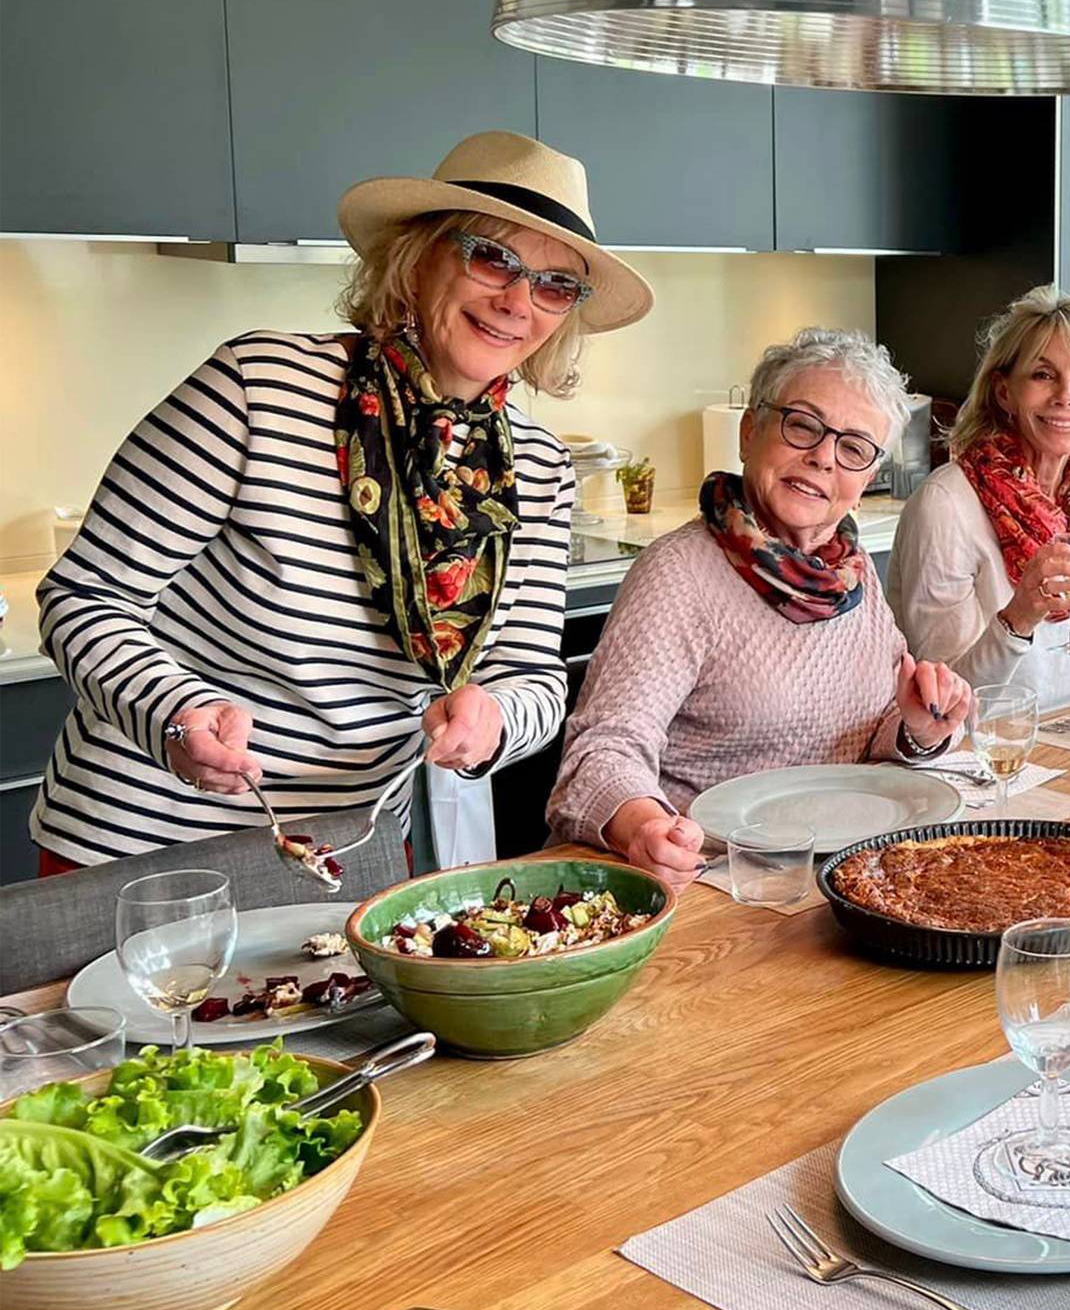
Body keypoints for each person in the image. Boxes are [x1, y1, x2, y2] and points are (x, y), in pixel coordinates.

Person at [31, 131, 649, 867]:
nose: (518, 300)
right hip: (143, 845)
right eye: (492, 256)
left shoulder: (539, 467)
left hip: (347, 850)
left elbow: (534, 678)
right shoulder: (257, 386)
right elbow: (84, 596)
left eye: (554, 284)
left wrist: (495, 718)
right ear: (419, 256)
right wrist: (173, 715)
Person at [548, 329, 970, 888]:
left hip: (827, 877)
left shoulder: (848, 570)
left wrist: (916, 727)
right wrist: (644, 828)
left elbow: (863, 729)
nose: (822, 457)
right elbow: (601, 752)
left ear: (868, 476)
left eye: (853, 448)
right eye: (802, 425)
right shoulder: (680, 573)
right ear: (750, 432)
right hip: (708, 881)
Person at [886, 286, 1070, 711]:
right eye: (1043, 375)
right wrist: (1021, 616)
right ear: (1003, 392)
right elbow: (942, 703)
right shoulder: (945, 505)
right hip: (977, 753)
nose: (1066, 395)